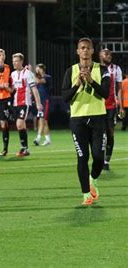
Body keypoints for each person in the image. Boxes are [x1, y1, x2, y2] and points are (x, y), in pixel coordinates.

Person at [62, 37, 110, 206]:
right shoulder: (71, 71)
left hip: (98, 118)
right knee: (82, 157)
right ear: (77, 51)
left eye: (87, 48)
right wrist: (76, 85)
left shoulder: (102, 69)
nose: (84, 50)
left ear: (92, 51)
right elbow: (65, 97)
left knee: (98, 157)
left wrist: (90, 81)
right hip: (78, 120)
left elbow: (105, 93)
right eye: (81, 47)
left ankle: (93, 179)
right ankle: (85, 194)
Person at [10, 53, 43, 157]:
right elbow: (12, 89)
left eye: (16, 61)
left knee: (19, 123)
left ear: (21, 62)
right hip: (15, 103)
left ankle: (24, 148)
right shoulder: (13, 74)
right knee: (20, 125)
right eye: (13, 61)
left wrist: (38, 104)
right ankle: (25, 148)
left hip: (25, 103)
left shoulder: (28, 74)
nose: (14, 63)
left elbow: (34, 89)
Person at [99, 49, 123, 170]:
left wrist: (121, 106)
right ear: (100, 56)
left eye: (110, 54)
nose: (109, 56)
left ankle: (106, 161)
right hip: (98, 107)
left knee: (110, 134)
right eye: (106, 54)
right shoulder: (95, 68)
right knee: (98, 134)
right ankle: (98, 158)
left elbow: (119, 89)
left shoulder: (116, 69)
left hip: (111, 106)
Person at [33, 64, 52, 146]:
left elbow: (38, 81)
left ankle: (38, 138)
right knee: (44, 121)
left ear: (42, 69)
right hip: (40, 103)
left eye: (38, 69)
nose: (37, 71)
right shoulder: (38, 78)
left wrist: (30, 72)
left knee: (42, 120)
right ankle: (47, 139)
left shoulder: (47, 77)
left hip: (46, 102)